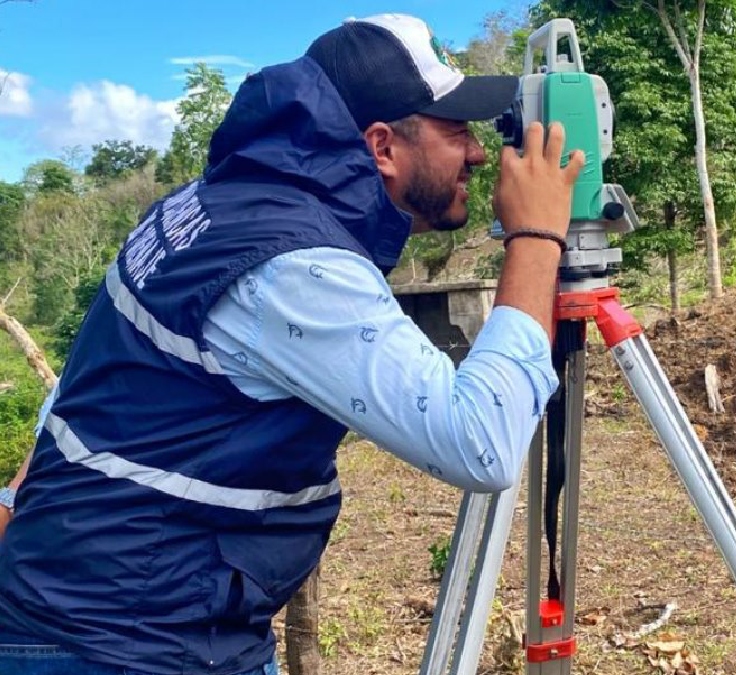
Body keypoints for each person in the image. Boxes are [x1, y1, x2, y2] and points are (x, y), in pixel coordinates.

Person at [0, 12, 584, 675]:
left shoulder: (208, 206)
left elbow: (94, 377)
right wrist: (536, 237)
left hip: (113, 617)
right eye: (455, 131)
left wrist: (14, 500)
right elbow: (479, 439)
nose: (481, 152)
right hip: (131, 643)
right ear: (383, 146)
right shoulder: (295, 264)